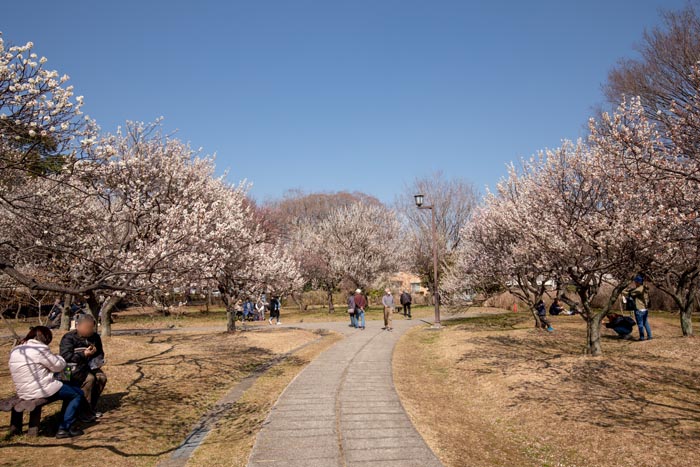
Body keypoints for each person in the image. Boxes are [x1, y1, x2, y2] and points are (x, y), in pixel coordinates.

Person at [9, 326, 88, 438]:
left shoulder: (17, 349)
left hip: (23, 390)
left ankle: (67, 418)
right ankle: (65, 428)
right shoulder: (39, 350)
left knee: (68, 383)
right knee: (77, 393)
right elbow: (59, 366)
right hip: (39, 389)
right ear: (45, 338)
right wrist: (58, 357)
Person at [60, 314, 107, 414]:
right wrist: (83, 354)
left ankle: (90, 407)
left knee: (101, 378)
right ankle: (83, 411)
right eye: (86, 328)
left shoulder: (95, 337)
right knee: (89, 379)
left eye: (91, 328)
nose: (89, 330)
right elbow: (65, 357)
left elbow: (100, 353)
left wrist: (97, 361)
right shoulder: (68, 338)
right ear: (78, 326)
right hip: (67, 369)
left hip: (88, 366)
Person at [627, 275, 652, 341]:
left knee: (640, 324)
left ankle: (642, 337)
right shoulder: (644, 288)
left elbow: (631, 293)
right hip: (645, 309)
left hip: (639, 309)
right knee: (645, 323)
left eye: (635, 281)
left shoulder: (639, 289)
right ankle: (650, 336)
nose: (635, 283)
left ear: (638, 282)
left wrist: (624, 291)